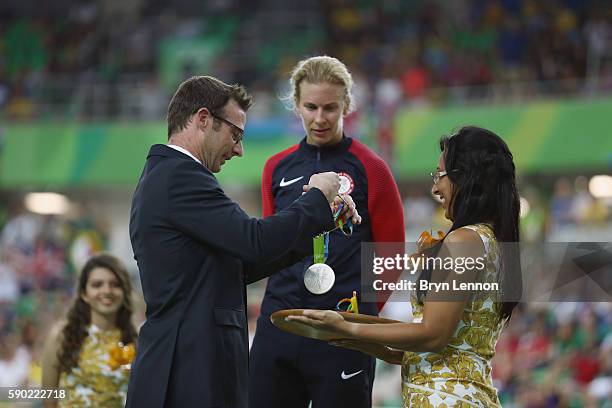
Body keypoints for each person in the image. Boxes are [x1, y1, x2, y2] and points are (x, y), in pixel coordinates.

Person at [126, 75, 360, 408]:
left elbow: (242, 263)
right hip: (189, 369)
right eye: (235, 134)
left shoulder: (169, 176)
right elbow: (254, 241)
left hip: (189, 364)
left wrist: (323, 221)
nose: (239, 149)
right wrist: (318, 198)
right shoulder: (179, 176)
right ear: (204, 119)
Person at [289, 126, 522, 407]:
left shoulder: (464, 240)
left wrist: (350, 328)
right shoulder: (493, 241)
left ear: (467, 177)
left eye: (440, 175)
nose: (435, 188)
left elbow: (432, 334)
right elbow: (449, 348)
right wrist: (376, 347)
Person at [249, 56, 405, 408]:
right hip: (281, 321)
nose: (320, 118)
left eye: (331, 108)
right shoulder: (276, 168)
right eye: (311, 107)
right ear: (296, 105)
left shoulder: (373, 168)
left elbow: (392, 254)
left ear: (347, 105)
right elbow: (272, 247)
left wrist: (361, 313)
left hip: (343, 330)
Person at [41, 253, 137, 408]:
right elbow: (48, 398)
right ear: (84, 293)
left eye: (115, 284)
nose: (107, 291)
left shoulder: (136, 341)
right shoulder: (62, 335)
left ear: (124, 291)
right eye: (97, 285)